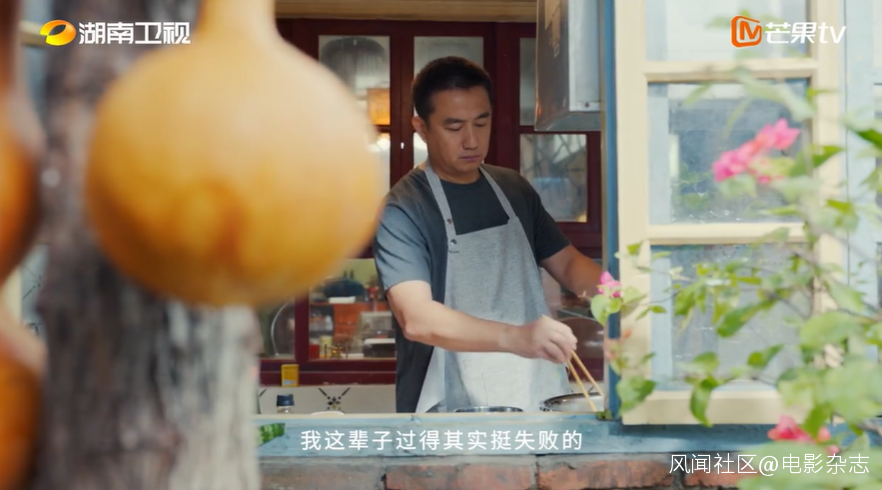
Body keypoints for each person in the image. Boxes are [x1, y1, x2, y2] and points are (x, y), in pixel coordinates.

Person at [373, 56, 604, 413]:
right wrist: (518, 337)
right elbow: (417, 318)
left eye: (481, 123)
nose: (471, 140)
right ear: (421, 127)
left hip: (536, 388)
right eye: (454, 127)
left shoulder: (513, 188)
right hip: (452, 409)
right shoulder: (404, 208)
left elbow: (569, 264)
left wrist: (622, 298)